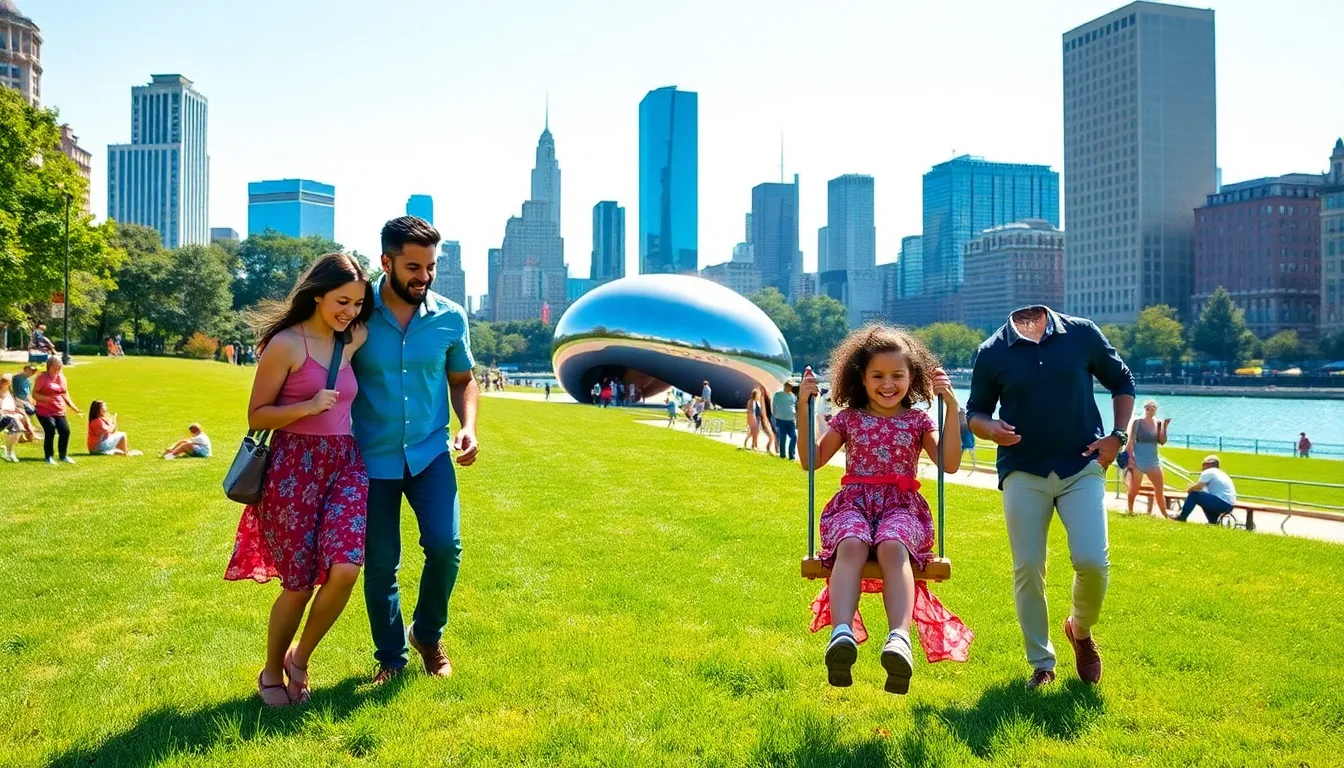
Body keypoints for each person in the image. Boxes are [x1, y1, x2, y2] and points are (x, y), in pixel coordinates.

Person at [224, 252, 373, 708]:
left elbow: (390, 309)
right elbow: (256, 415)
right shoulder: (286, 344)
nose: (349, 312)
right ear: (317, 294)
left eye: (356, 304)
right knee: (299, 583)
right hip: (293, 468)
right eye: (341, 301)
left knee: (346, 568)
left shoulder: (352, 339)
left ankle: (300, 658)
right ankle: (271, 668)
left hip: (345, 463)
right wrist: (307, 406)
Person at [796, 325, 971, 694]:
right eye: (877, 375)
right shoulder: (848, 419)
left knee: (893, 545)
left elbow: (950, 463)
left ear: (913, 377)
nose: (887, 384)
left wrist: (952, 408)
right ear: (861, 377)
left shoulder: (919, 421)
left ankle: (899, 640)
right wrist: (803, 408)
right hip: (854, 503)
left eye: (897, 375)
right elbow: (811, 462)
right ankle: (840, 634)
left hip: (901, 507)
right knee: (851, 543)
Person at [967, 305, 1135, 690]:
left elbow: (1122, 382)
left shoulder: (1082, 333)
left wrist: (1118, 436)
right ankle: (1041, 663)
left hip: (1083, 465)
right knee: (1028, 567)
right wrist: (990, 428)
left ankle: (1080, 630)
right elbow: (975, 412)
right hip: (1023, 470)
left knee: (1092, 561)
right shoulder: (991, 351)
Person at [353, 217, 479, 686]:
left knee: (446, 548)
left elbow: (463, 380)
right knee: (382, 564)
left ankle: (428, 635)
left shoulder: (450, 316)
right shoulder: (357, 315)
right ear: (385, 262)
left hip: (430, 454)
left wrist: (468, 427)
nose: (422, 277)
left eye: (430, 267)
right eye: (412, 266)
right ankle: (391, 658)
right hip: (370, 458)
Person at [32, 357, 81, 464]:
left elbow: (64, 393)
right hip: (44, 410)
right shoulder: (42, 378)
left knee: (65, 431)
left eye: (60, 367)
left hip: (58, 409)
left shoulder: (62, 377)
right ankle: (49, 457)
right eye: (55, 368)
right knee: (50, 429)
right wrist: (47, 399)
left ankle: (63, 456)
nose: (58, 370)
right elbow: (34, 394)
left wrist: (73, 407)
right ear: (49, 366)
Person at [1125, 400, 1170, 515]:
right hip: (1138, 458)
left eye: (1154, 408)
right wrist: (1130, 458)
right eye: (1150, 408)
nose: (1152, 411)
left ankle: (1165, 514)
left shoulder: (1158, 423)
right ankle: (1130, 510)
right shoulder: (1137, 422)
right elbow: (1130, 441)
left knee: (1159, 488)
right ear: (1145, 409)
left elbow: (1162, 441)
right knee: (1134, 488)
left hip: (1152, 460)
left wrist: (1165, 427)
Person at [1177, 455, 1245, 529]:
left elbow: (1199, 487)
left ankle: (1182, 517)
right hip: (1229, 505)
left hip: (1221, 502)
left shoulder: (1209, 471)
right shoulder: (1221, 473)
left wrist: (1190, 489)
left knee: (1194, 495)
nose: (1202, 465)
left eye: (1204, 463)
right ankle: (1212, 522)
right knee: (1203, 498)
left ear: (1211, 464)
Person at [0, 374, 24, 462]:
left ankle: (9, 451)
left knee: (17, 431)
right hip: (3, 416)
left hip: (9, 416)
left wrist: (18, 408)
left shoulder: (9, 390)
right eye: (9, 381)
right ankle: (8, 452)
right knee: (16, 429)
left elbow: (11, 403)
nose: (11, 383)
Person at [772, 381, 798, 460]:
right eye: (789, 386)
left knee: (794, 436)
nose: (790, 388)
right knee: (782, 438)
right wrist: (775, 415)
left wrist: (795, 415)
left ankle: (791, 455)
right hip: (781, 420)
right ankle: (782, 455)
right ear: (785, 386)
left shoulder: (793, 396)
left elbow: (794, 406)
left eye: (791, 386)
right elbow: (774, 405)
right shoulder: (778, 395)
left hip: (791, 420)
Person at [958, 407, 977, 473]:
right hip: (967, 443)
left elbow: (971, 436)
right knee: (972, 457)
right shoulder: (965, 426)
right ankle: (973, 468)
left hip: (967, 443)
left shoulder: (964, 426)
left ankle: (973, 468)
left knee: (962, 455)